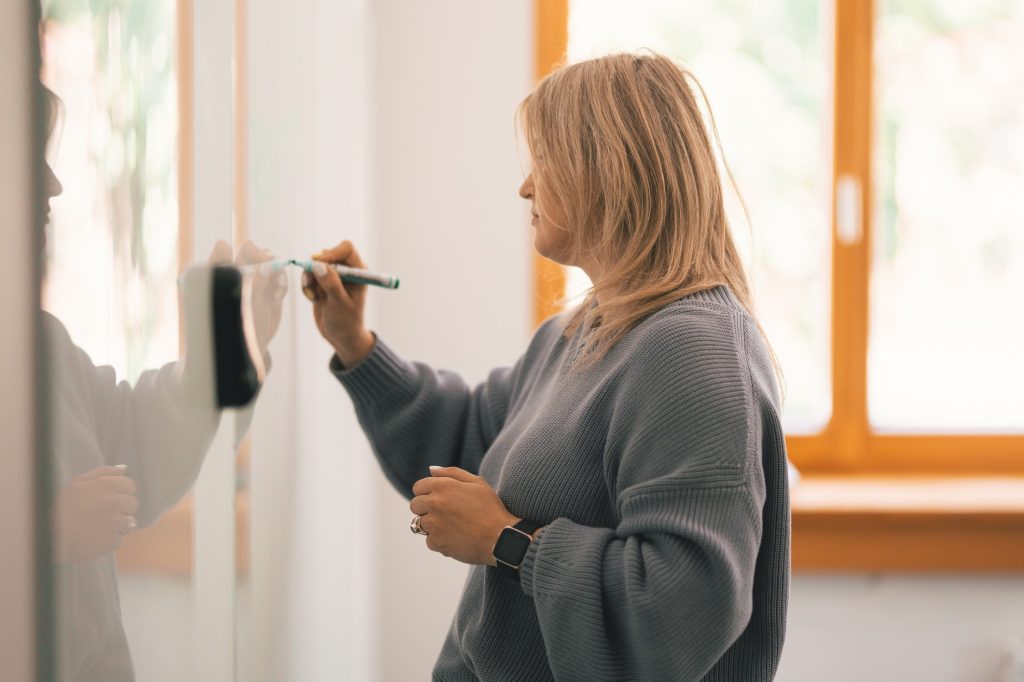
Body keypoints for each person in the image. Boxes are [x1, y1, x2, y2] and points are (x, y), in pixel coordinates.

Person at [302, 52, 790, 681]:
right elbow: (472, 440)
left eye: (544, 161)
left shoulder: (695, 354)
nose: (526, 187)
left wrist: (509, 541)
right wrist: (355, 344)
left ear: (605, 169)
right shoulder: (583, 329)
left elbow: (679, 610)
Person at [37, 83, 285, 680]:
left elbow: (135, 452)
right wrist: (41, 540)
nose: (53, 185)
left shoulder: (40, 342)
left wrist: (230, 347)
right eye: (29, 157)